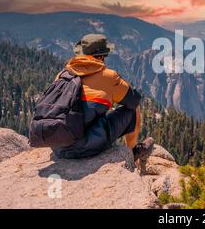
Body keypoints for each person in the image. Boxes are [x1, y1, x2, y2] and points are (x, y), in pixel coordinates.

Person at [52, 33, 154, 169]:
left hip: (57, 146)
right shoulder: (107, 76)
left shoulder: (62, 75)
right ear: (100, 57)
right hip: (83, 148)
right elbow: (134, 100)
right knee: (133, 110)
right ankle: (132, 154)